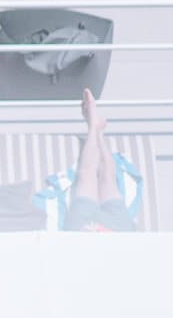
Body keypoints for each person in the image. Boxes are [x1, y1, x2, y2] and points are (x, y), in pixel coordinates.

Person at [60, 89, 140, 233]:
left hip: (82, 230)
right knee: (108, 179)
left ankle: (93, 127)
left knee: (86, 175)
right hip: (118, 231)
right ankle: (98, 131)